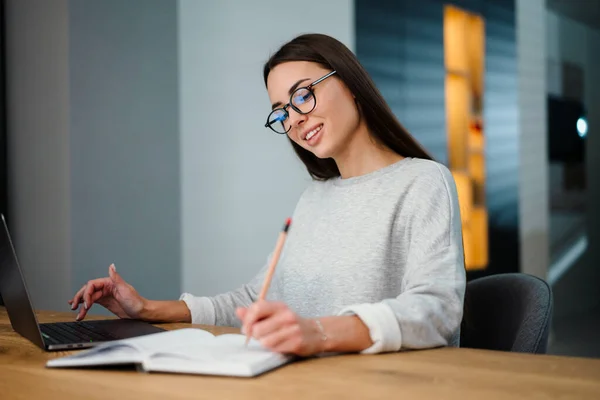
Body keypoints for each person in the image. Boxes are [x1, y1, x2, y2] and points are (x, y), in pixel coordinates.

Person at [68, 33, 466, 357]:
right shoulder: (315, 198)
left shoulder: (423, 181)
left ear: (350, 83)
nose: (294, 119)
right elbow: (253, 298)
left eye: (302, 95)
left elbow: (436, 308)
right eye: (281, 112)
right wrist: (148, 309)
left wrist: (319, 333)